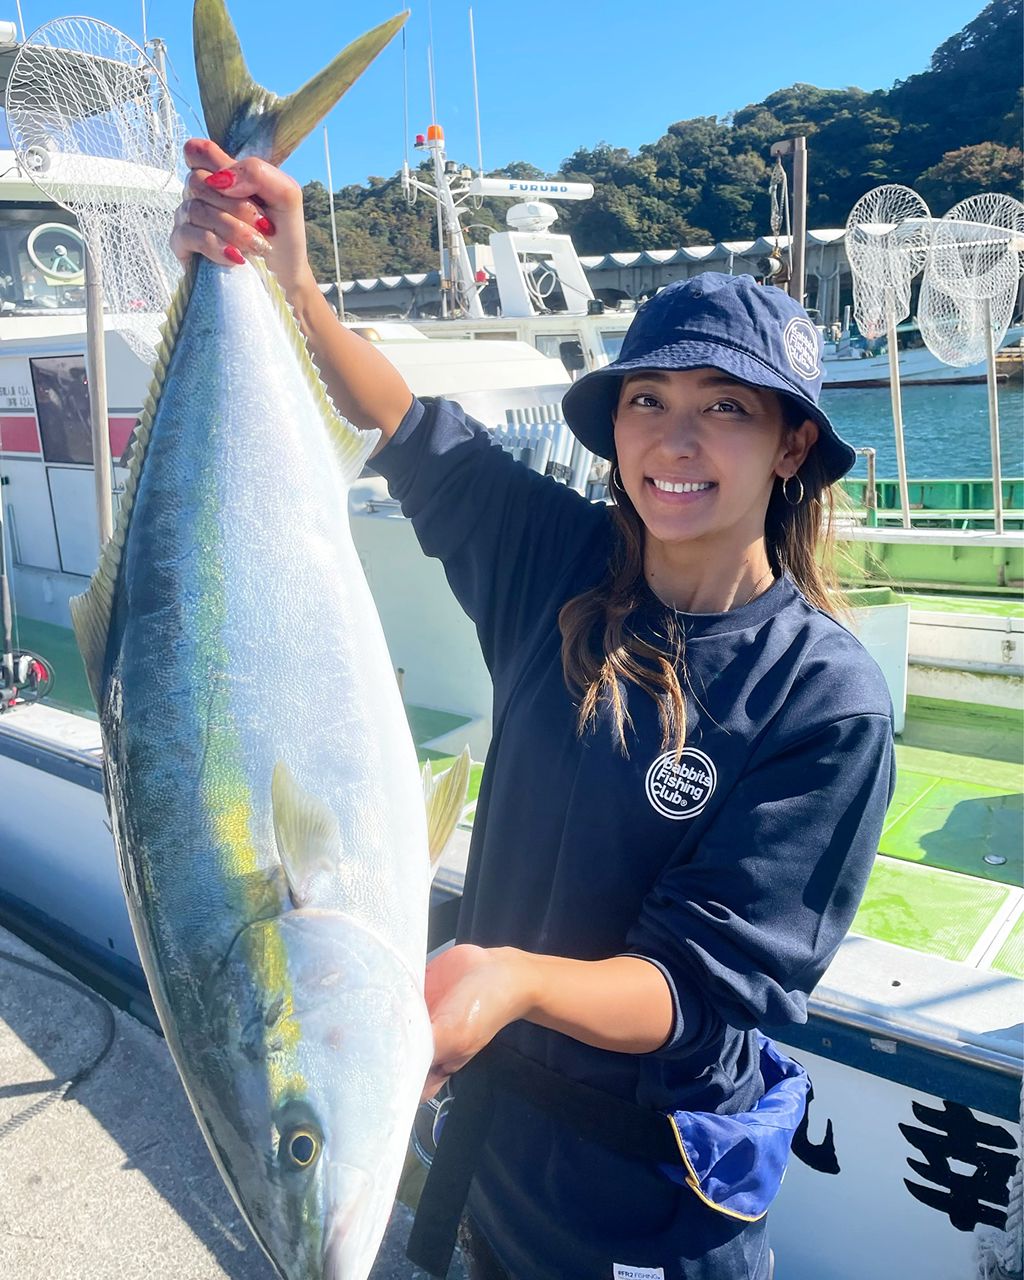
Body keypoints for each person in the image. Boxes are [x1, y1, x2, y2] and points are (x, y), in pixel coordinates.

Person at [172, 141, 896, 1280]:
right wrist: (286, 280)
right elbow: (417, 438)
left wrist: (506, 977)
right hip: (497, 1154)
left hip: (650, 1199)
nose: (674, 438)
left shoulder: (823, 699)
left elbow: (698, 988)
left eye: (725, 408)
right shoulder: (560, 568)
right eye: (646, 400)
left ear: (792, 443)